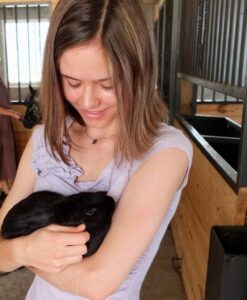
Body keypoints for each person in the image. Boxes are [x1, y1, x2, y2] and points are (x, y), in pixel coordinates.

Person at [0, 0, 193, 299]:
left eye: (107, 84)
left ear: (138, 74)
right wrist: (23, 248)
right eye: (72, 82)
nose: (88, 102)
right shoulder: (44, 140)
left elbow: (96, 283)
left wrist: (18, 251)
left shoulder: (165, 152)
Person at [0, 78, 22, 200]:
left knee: (5, 157)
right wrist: (12, 113)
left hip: (4, 124)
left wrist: (11, 112)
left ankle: (4, 186)